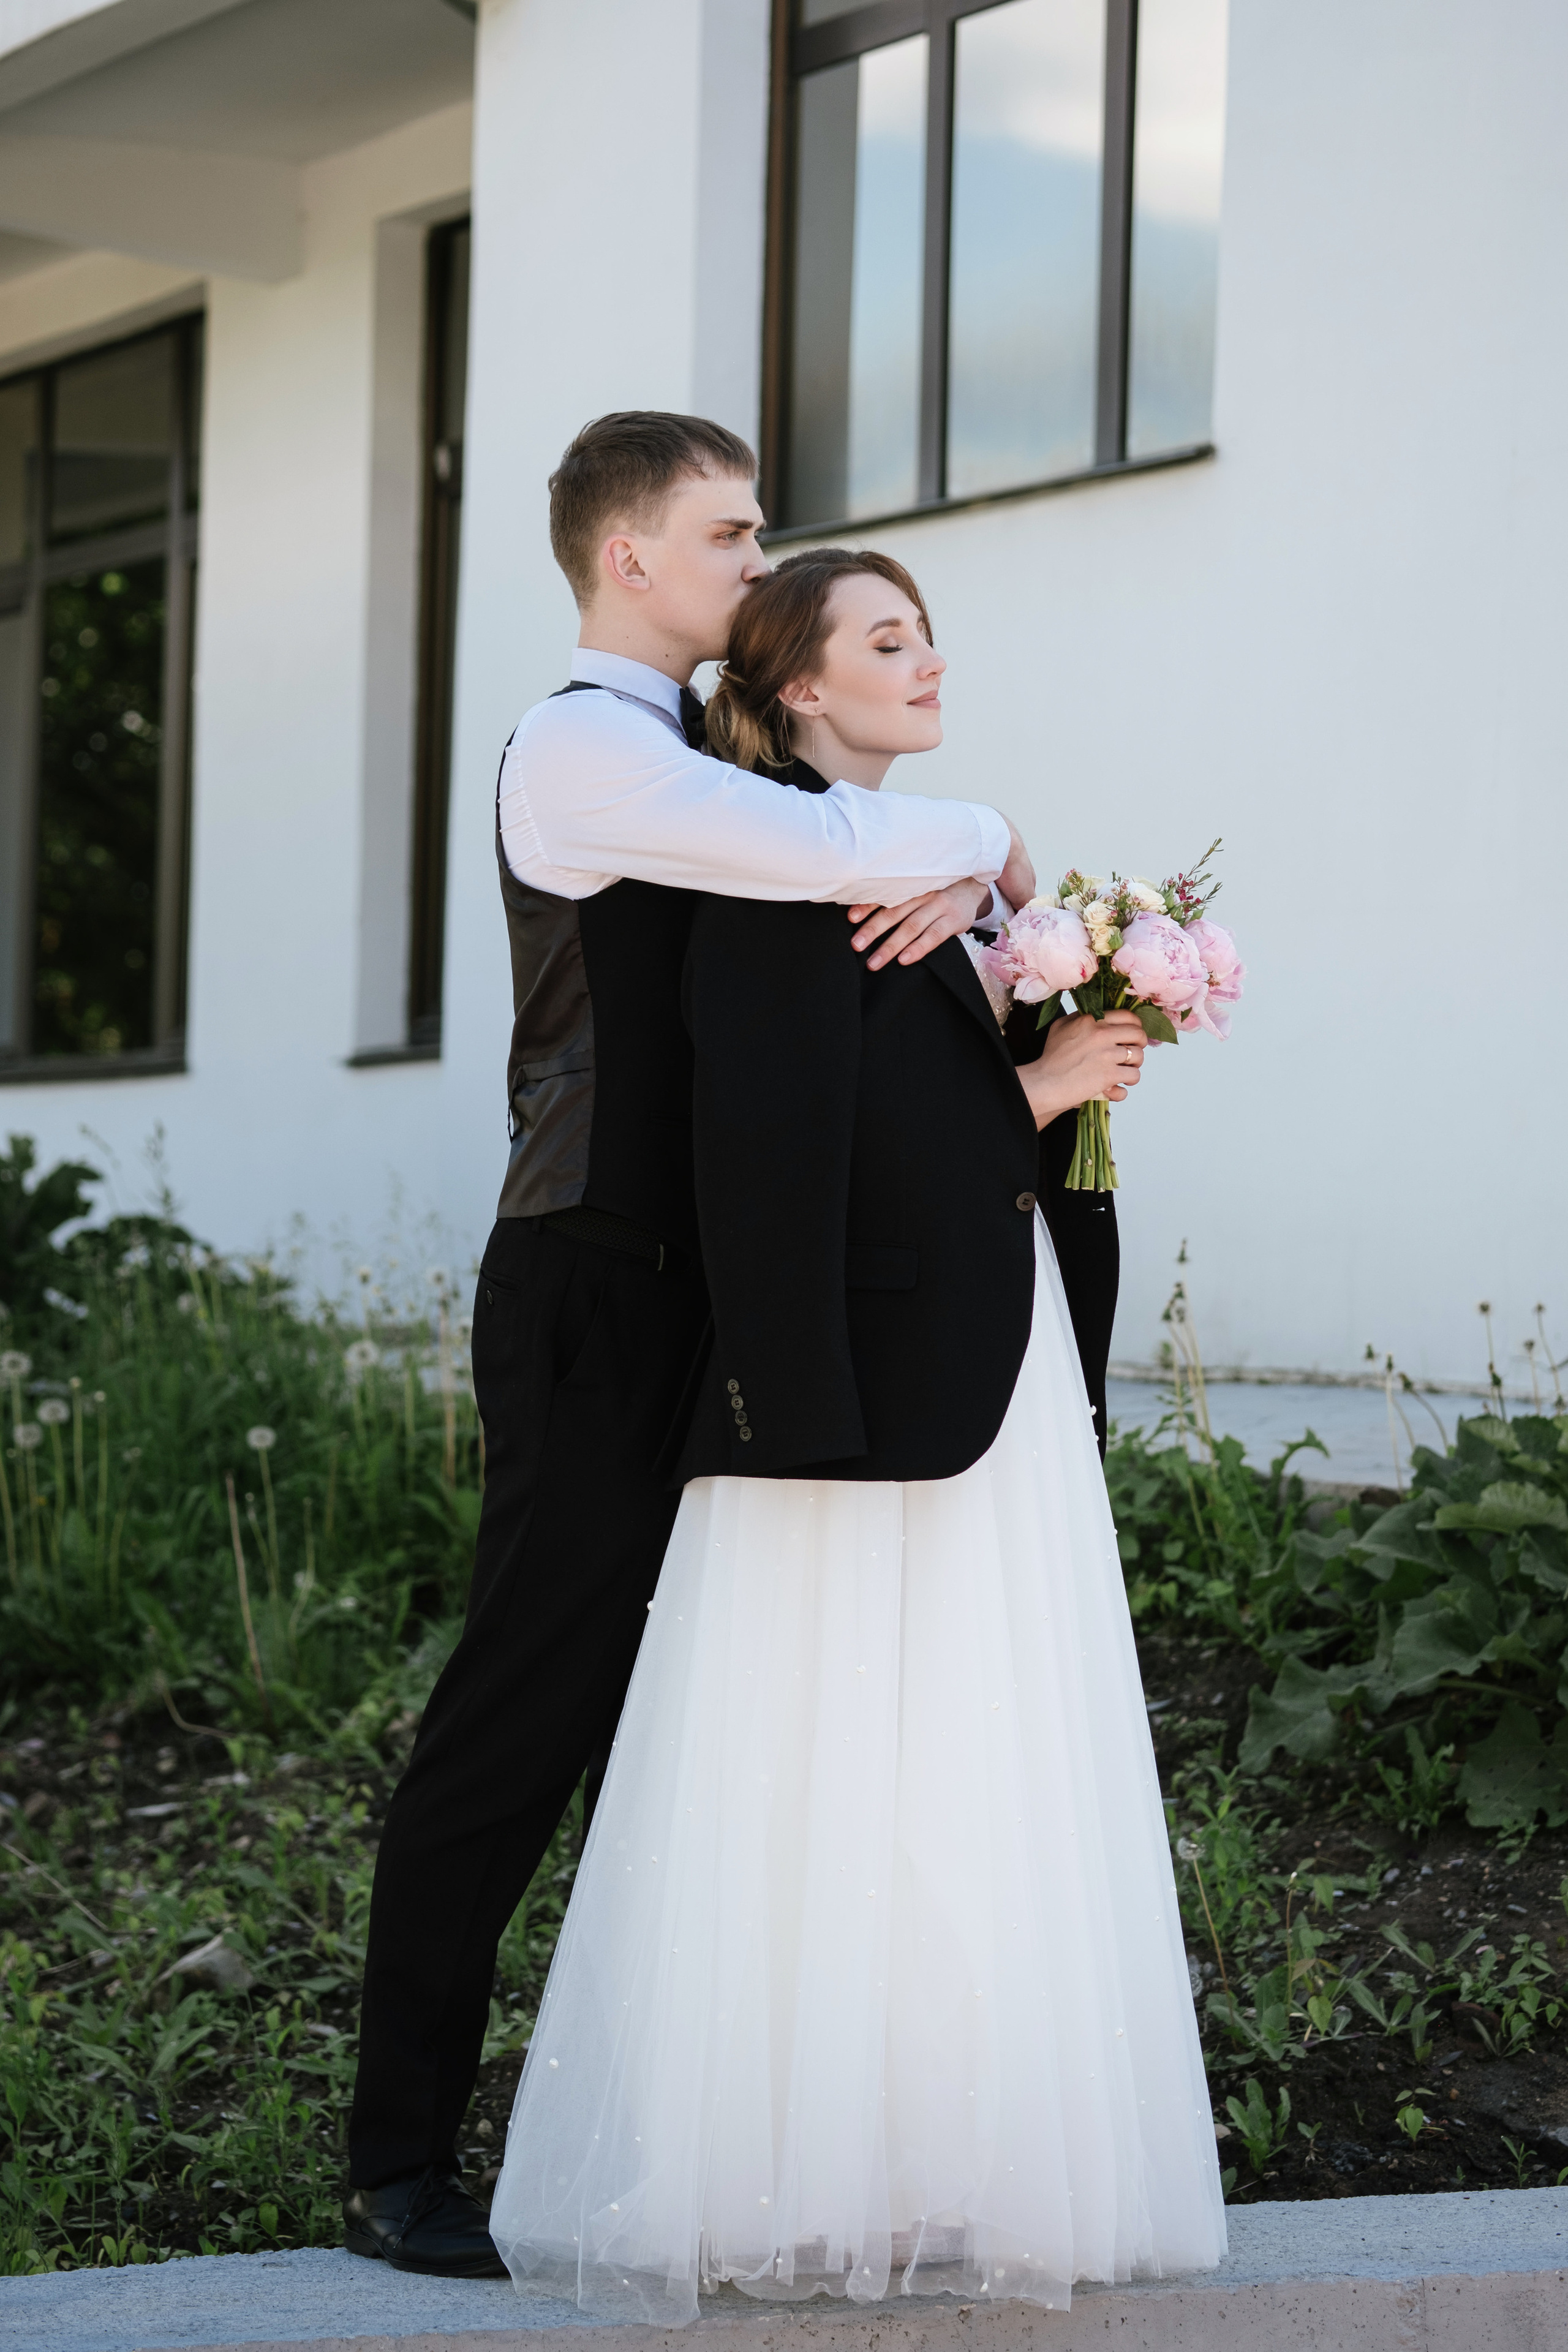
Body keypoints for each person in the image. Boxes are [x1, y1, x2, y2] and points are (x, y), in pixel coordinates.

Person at [487, 549, 1227, 2321]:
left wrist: (1045, 1038)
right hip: (850, 1401)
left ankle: (952, 2161)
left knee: (979, 1757)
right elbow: (788, 1159)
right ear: (802, 689)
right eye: (885, 640)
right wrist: (1041, 1087)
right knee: (827, 1764)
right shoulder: (771, 872)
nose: (930, 660)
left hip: (995, 1366)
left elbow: (936, 1107)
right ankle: (800, 2180)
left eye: (932, 632)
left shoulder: (941, 873)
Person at [344, 416, 1038, 2278]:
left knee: (719, 1722)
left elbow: (859, 875)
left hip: (715, 1289)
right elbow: (822, 845)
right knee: (528, 1706)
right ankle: (395, 2153)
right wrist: (977, 839)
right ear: (626, 559)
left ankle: (700, 2137)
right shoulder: (584, 746)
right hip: (589, 1281)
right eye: (730, 536)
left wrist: (970, 871)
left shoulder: (703, 748)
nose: (758, 561)